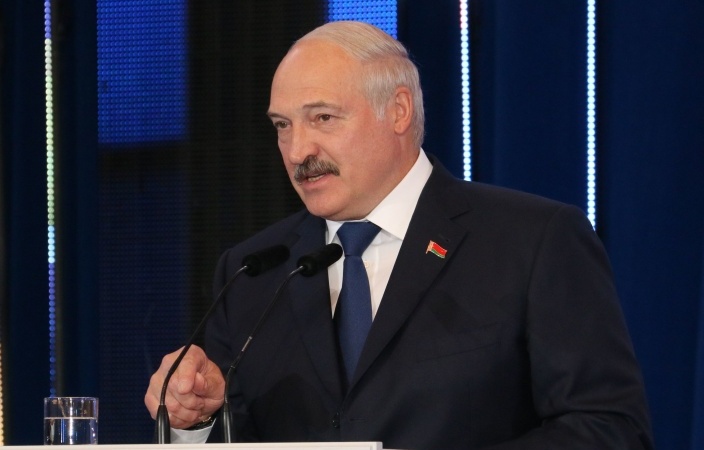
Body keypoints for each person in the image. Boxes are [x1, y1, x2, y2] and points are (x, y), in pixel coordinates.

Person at [145, 20, 654, 449]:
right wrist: (195, 421)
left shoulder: (531, 242)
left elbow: (610, 429)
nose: (298, 151)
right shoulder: (255, 271)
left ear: (399, 111)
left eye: (322, 117)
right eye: (283, 126)